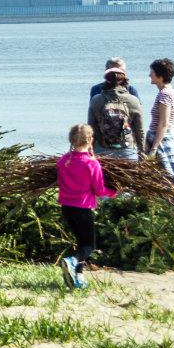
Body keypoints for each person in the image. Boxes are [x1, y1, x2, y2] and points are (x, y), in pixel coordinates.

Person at [56, 123, 114, 289]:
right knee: (89, 245)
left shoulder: (63, 161)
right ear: (91, 140)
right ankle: (72, 261)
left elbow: (61, 183)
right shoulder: (91, 164)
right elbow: (100, 190)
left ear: (71, 140)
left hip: (66, 208)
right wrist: (114, 192)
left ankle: (78, 277)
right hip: (82, 209)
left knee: (81, 243)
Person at [88, 63, 145, 160]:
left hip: (101, 151)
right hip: (127, 152)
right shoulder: (133, 101)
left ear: (106, 80)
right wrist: (142, 153)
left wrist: (90, 150)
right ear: (124, 80)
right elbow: (140, 131)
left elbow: (91, 129)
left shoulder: (96, 100)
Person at [144, 58, 174, 177]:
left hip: (162, 143)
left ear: (160, 76)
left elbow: (164, 123)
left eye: (152, 72)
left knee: (166, 181)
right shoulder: (172, 92)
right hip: (172, 139)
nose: (149, 74)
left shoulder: (164, 94)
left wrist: (154, 148)